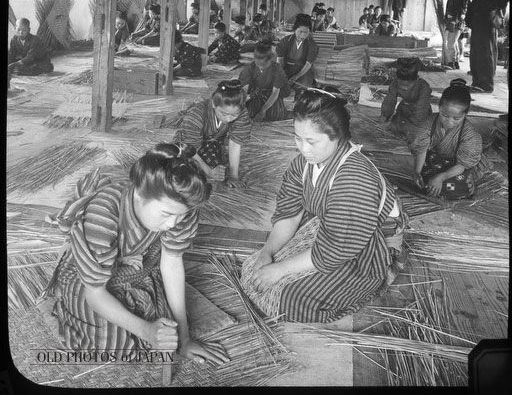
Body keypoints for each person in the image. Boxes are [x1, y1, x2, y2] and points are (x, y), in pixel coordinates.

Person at [45, 142, 230, 364]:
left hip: (139, 270)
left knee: (168, 328)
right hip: (89, 280)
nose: (173, 224)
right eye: (166, 214)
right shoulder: (104, 213)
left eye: (180, 216)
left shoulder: (181, 209)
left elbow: (171, 264)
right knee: (114, 345)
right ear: (140, 195)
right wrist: (146, 331)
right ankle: (65, 305)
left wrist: (184, 336)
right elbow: (95, 292)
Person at [240, 87, 409, 323]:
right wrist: (268, 252)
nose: (303, 148)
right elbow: (289, 213)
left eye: (311, 141)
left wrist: (280, 269)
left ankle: (378, 272)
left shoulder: (353, 178)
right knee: (252, 269)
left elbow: (338, 248)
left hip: (368, 241)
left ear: (338, 137)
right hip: (336, 231)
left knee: (292, 300)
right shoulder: (304, 164)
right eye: (297, 138)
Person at [409, 79, 491, 199]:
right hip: (434, 161)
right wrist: (416, 172)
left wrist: (441, 177)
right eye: (444, 115)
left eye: (456, 118)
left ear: (465, 114)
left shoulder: (469, 135)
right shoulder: (428, 123)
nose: (449, 121)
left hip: (455, 167)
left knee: (452, 187)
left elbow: (462, 165)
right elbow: (421, 150)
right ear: (439, 107)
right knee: (422, 181)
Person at [174, 80, 251, 189]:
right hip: (187, 146)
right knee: (188, 172)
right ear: (214, 104)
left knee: (220, 171)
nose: (228, 119)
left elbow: (235, 143)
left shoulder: (242, 113)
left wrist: (234, 176)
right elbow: (189, 148)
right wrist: (209, 171)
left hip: (213, 142)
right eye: (224, 114)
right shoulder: (196, 114)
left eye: (234, 115)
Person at [466, 0, 509, 93]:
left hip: (487, 21)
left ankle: (486, 85)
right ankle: (477, 81)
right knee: (476, 52)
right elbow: (476, 0)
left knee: (485, 53)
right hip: (478, 21)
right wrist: (470, 17)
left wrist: (494, 7)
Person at [381, 57, 432, 143]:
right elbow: (389, 100)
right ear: (397, 80)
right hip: (404, 109)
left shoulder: (424, 87)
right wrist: (385, 116)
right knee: (394, 127)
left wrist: (412, 126)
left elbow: (421, 110)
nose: (404, 88)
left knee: (417, 133)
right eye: (401, 84)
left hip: (422, 112)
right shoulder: (394, 83)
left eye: (408, 86)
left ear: (416, 80)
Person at [239, 41, 291, 122]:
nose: (260, 67)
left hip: (273, 94)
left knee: (275, 115)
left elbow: (275, 93)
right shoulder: (250, 67)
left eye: (263, 65)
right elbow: (245, 90)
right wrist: (241, 106)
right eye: (257, 64)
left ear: (270, 59)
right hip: (258, 92)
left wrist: (263, 110)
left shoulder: (277, 69)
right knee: (250, 113)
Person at [276, 14, 320, 92]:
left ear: (309, 32)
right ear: (295, 30)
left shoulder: (312, 45)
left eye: (306, 32)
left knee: (302, 89)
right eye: (300, 31)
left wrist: (296, 77)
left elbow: (308, 64)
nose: (303, 35)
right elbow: (280, 60)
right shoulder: (285, 41)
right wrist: (281, 73)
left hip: (304, 71)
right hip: (287, 69)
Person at [8, 18, 54, 88]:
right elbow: (11, 54)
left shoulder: (35, 39)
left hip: (38, 60)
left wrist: (14, 64)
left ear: (29, 30)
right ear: (15, 28)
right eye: (18, 30)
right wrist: (9, 64)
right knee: (15, 68)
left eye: (24, 30)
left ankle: (48, 67)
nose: (21, 33)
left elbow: (31, 56)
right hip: (26, 60)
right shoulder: (14, 39)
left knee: (28, 69)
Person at [444, 0, 470, 70]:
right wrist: (446, 19)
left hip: (456, 23)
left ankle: (451, 62)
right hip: (452, 22)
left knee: (450, 43)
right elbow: (448, 9)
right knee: (453, 43)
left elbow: (463, 10)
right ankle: (455, 63)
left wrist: (454, 21)